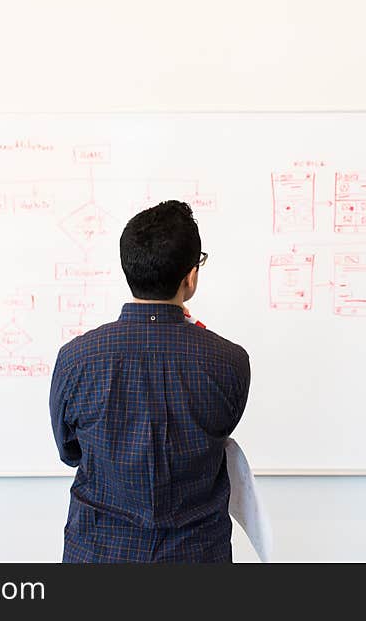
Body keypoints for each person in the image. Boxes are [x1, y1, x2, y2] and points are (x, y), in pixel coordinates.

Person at [49, 200, 251, 563]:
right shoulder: (230, 362)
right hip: (196, 555)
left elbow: (70, 452)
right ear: (190, 276)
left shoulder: (75, 359)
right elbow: (219, 434)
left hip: (99, 552)